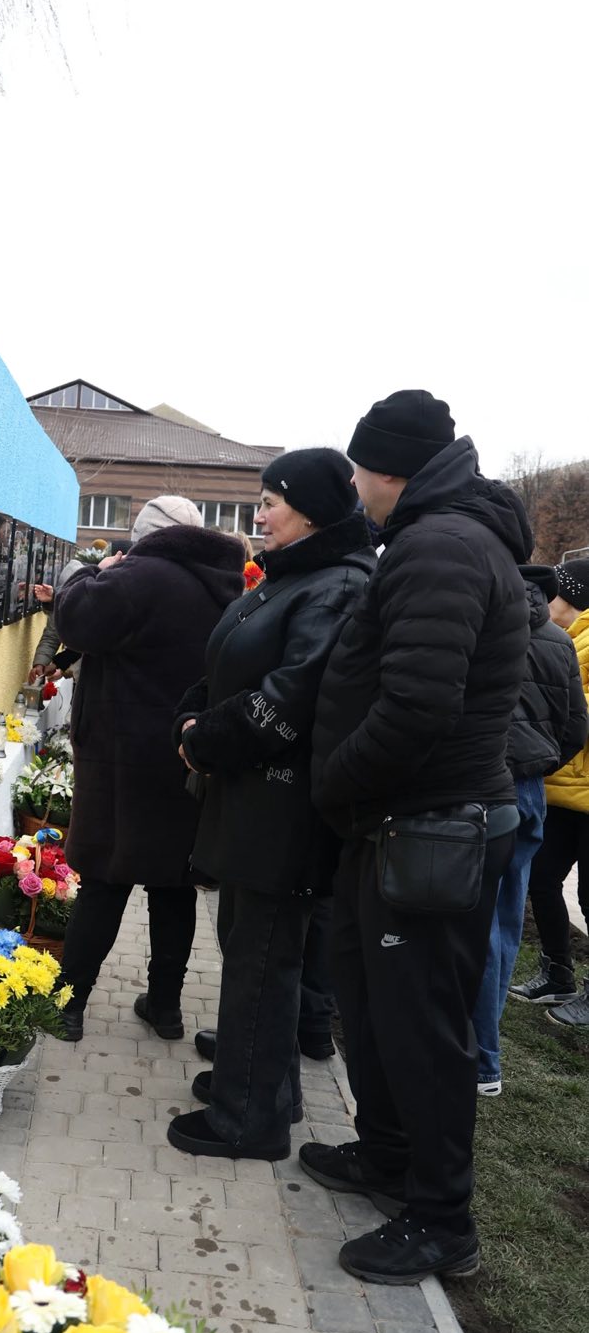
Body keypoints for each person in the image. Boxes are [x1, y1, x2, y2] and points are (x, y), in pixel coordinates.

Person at [308, 389, 530, 1284]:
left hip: (432, 828)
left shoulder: (440, 546)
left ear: (388, 471)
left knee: (422, 1029)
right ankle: (388, 1154)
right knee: (371, 1005)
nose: (354, 486)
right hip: (402, 823)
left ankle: (442, 1221)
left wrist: (334, 780)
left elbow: (418, 707)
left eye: (359, 469)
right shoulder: (435, 537)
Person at [164, 451, 374, 1160]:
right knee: (248, 948)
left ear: (310, 511)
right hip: (252, 799)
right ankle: (260, 1085)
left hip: (284, 809)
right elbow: (228, 666)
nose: (258, 515)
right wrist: (192, 718)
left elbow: (291, 697)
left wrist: (206, 740)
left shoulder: (337, 586)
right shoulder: (297, 575)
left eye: (270, 501)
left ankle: (247, 1121)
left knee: (263, 960)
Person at [54, 497, 246, 1040]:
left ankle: (68, 1006)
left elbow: (75, 619)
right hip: (183, 754)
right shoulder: (223, 583)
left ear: (149, 534)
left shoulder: (140, 576)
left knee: (105, 880)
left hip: (122, 758)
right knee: (172, 886)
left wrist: (93, 572)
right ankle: (165, 1008)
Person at [474, 564, 586, 1082]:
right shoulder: (560, 641)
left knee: (467, 920)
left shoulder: (481, 628)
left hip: (478, 785)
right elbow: (574, 728)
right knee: (503, 922)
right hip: (528, 791)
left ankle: (474, 1057)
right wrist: (539, 766)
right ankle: (486, 1058)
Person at [510, 559, 589, 1022]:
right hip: (563, 790)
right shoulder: (571, 639)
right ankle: (558, 973)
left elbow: (576, 715)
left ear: (572, 597)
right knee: (541, 879)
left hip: (583, 792)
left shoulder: (580, 642)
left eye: (556, 593)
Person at [28, 539, 109, 682]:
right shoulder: (59, 604)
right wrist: (40, 663)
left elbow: (86, 646)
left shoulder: (97, 609)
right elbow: (52, 635)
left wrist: (61, 668)